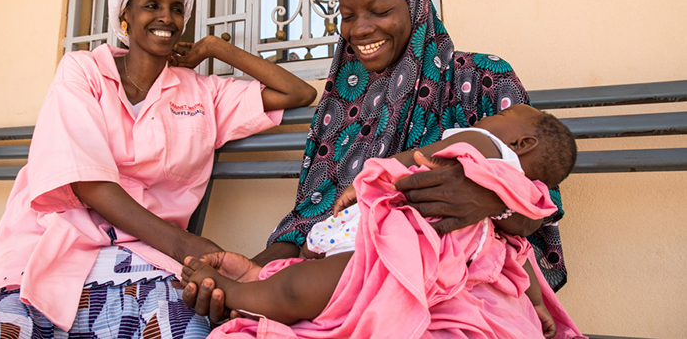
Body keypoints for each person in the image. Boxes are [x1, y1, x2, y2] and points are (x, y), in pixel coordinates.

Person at [182, 0, 580, 337]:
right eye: (348, 14)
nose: (360, 29)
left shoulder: (482, 79)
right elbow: (312, 219)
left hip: (461, 281)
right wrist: (254, 276)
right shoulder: (344, 99)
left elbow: (539, 208)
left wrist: (488, 199)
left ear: (416, 4)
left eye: (380, 10)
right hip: (348, 274)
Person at [0, 0, 316, 339]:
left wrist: (214, 49)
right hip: (54, 240)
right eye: (151, 6)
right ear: (125, 17)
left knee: (183, 328)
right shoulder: (83, 71)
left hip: (145, 255)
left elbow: (298, 91)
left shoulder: (203, 93)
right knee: (1, 328)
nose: (166, 18)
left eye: (176, 9)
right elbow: (88, 184)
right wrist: (186, 245)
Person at [180, 103, 575, 337]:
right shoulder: (520, 196)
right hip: (418, 261)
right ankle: (245, 289)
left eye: (503, 112)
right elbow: (520, 258)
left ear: (523, 144)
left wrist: (371, 175)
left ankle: (231, 293)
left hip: (395, 247)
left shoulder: (482, 142)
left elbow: (417, 157)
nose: (491, 115)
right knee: (303, 287)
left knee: (302, 288)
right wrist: (539, 307)